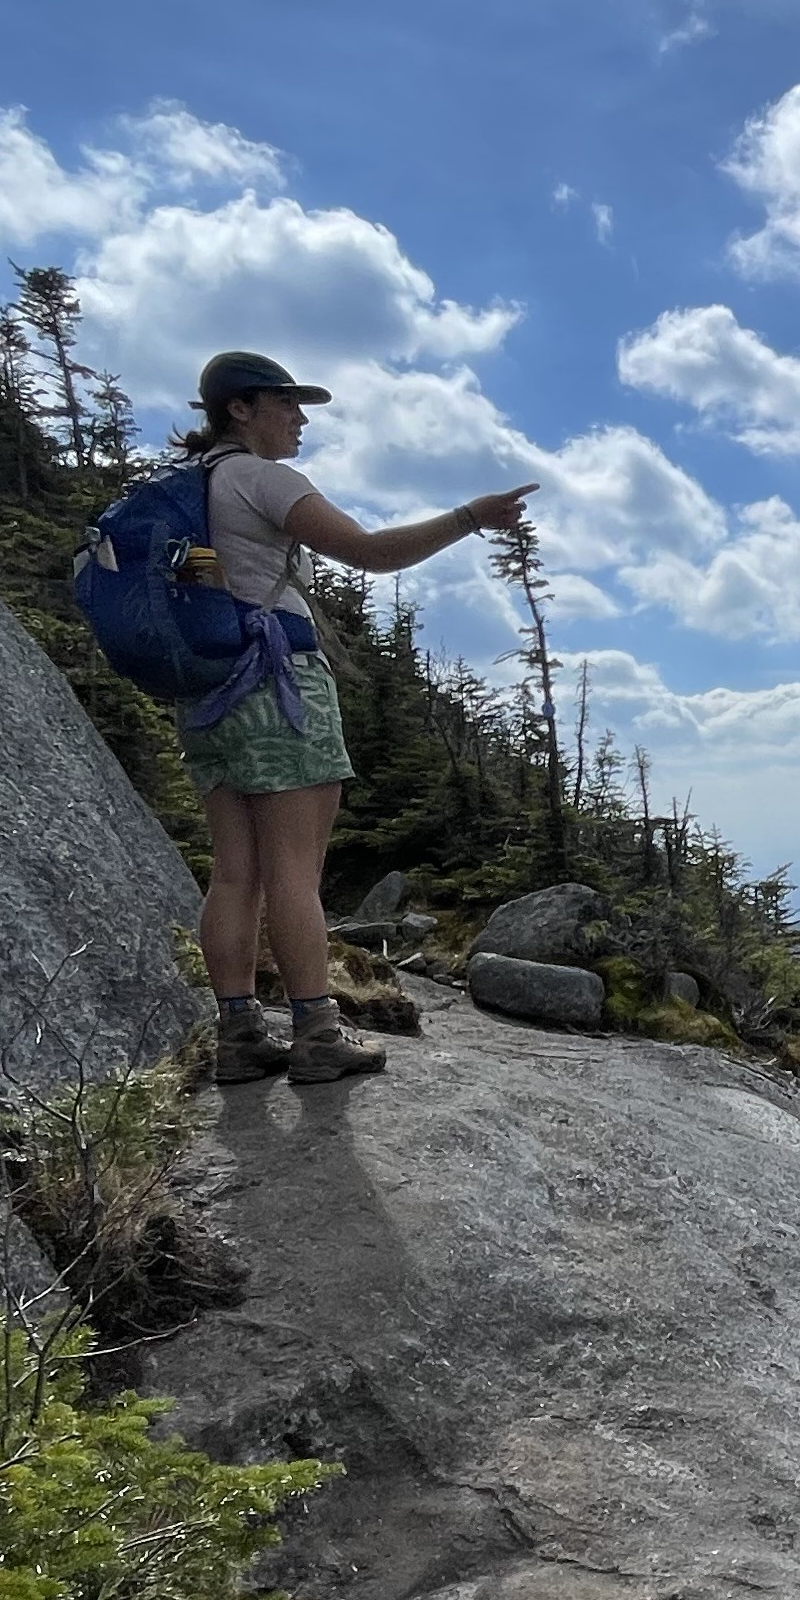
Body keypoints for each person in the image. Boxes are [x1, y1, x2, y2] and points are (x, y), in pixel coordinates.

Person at [181, 346, 537, 1087]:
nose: (300, 418)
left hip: (208, 690)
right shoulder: (263, 479)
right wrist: (472, 516)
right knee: (294, 870)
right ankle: (316, 1032)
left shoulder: (195, 484)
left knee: (236, 872)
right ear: (240, 409)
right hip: (278, 683)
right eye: (285, 402)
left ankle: (239, 1035)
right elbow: (371, 553)